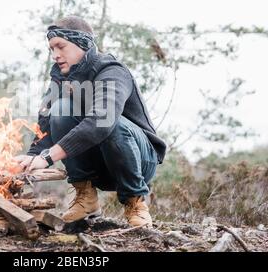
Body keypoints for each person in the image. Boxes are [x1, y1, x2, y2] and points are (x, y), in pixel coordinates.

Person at [14, 15, 167, 227]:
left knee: (109, 122)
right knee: (61, 109)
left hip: (140, 161)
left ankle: (135, 203)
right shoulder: (61, 77)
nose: (55, 55)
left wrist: (48, 157)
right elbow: (46, 123)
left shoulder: (111, 70)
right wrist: (32, 157)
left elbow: (100, 123)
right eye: (51, 49)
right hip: (100, 165)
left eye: (60, 47)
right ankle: (86, 197)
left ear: (83, 43)